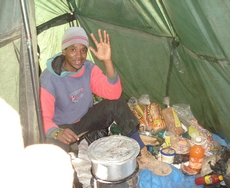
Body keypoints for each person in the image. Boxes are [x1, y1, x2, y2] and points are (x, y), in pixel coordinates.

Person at [39, 27, 172, 176]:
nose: (79, 56)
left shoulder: (88, 67)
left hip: (85, 119)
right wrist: (56, 132)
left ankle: (144, 155)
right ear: (64, 51)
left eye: (83, 50)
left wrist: (108, 61)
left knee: (116, 103)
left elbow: (113, 94)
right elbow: (42, 117)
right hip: (62, 126)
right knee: (54, 158)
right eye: (73, 50)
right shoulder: (49, 79)